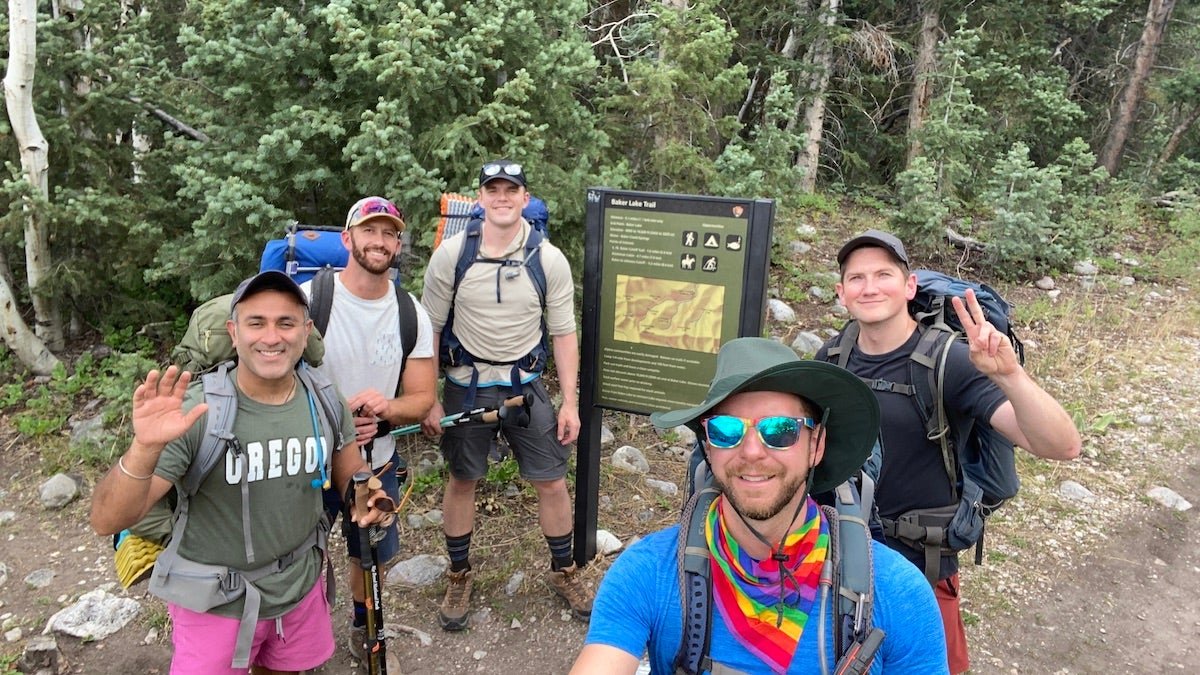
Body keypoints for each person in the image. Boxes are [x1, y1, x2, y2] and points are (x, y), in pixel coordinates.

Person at [571, 337, 948, 674]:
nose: (751, 452)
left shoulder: (897, 593)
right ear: (708, 447)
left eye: (780, 430)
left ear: (816, 445)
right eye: (727, 430)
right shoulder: (647, 573)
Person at [90, 271, 392, 675]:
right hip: (215, 602)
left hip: (299, 586)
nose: (272, 337)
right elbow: (107, 520)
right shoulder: (198, 411)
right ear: (234, 332)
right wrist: (144, 449)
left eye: (286, 323)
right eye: (256, 323)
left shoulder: (323, 398)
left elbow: (349, 467)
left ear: (306, 332)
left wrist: (367, 494)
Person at [817, 230, 1082, 674]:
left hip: (922, 570)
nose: (870, 287)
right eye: (856, 278)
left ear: (909, 286)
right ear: (842, 293)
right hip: (840, 565)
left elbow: (1061, 445)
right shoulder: (832, 358)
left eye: (883, 275)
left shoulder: (951, 360)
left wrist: (1010, 376)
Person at [419, 159, 589, 630]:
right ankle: (459, 574)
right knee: (462, 479)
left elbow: (564, 334)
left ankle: (564, 571)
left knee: (551, 480)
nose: (501, 197)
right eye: (492, 189)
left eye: (510, 190)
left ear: (524, 197)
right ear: (480, 198)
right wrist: (429, 397)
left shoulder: (548, 259)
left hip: (525, 386)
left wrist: (570, 402)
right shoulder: (452, 255)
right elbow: (428, 330)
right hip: (465, 385)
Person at [300, 196, 437, 668]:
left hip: (376, 459)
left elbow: (422, 397)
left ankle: (365, 631)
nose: (379, 241)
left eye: (389, 234)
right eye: (369, 231)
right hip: (311, 462)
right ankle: (299, 640)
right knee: (300, 554)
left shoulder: (410, 312)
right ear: (347, 239)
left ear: (398, 245)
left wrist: (388, 408)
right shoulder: (309, 300)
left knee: (370, 556)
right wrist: (334, 417)